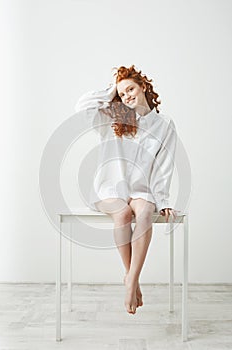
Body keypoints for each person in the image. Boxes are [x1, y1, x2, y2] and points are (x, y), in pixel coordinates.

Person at [74, 64, 177, 315]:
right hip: (110, 189)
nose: (127, 95)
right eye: (122, 93)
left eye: (130, 88)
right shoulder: (112, 118)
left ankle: (130, 278)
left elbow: (164, 166)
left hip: (142, 190)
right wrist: (113, 90)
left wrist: (162, 201)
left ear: (143, 86)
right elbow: (82, 106)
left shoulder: (164, 124)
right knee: (122, 214)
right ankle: (132, 279)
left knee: (143, 213)